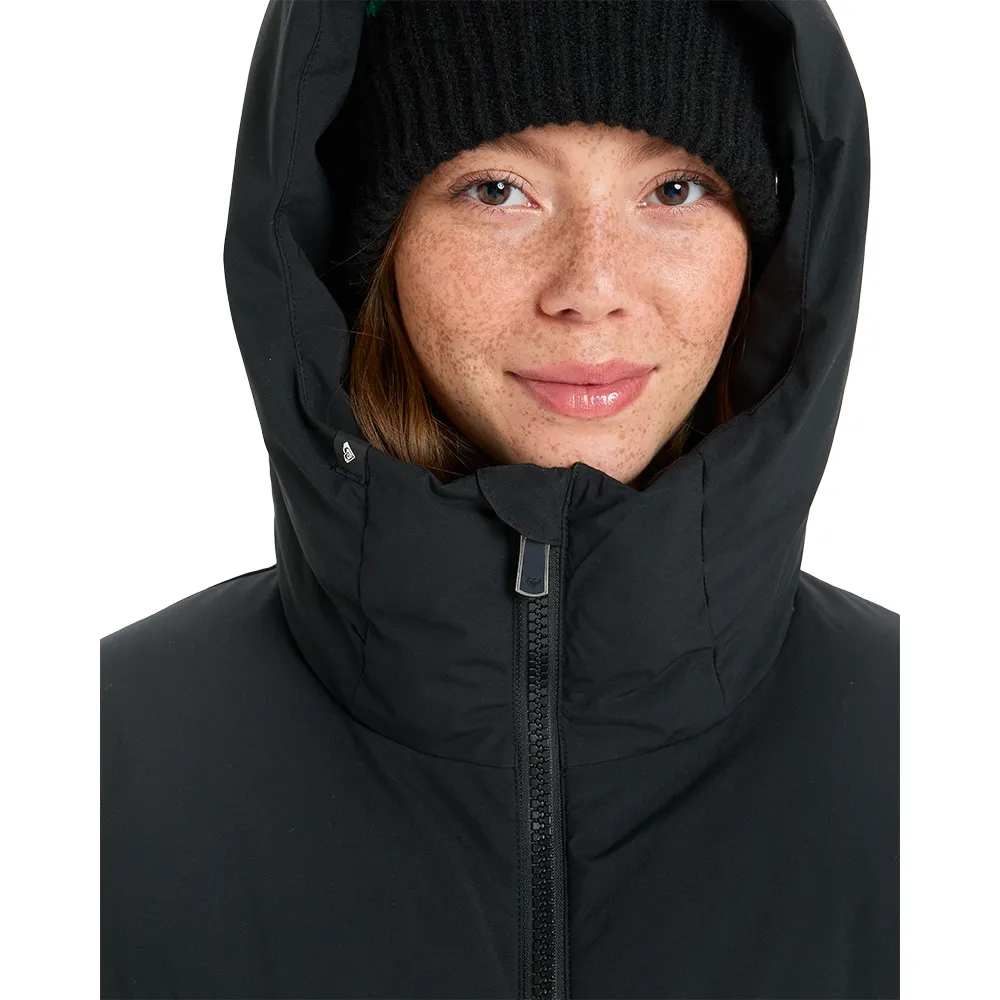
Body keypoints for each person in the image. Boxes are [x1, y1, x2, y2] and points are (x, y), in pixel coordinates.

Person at [100, 1, 899, 998]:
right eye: (497, 190)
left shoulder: (940, 753)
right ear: (371, 247)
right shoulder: (94, 759)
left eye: (675, 189)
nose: (590, 287)